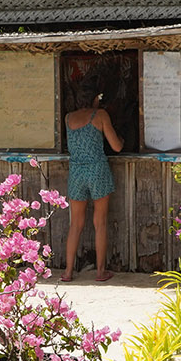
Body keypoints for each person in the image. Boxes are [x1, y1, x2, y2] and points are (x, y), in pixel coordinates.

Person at [61, 76, 122, 282]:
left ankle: (68, 272)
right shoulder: (100, 115)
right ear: (96, 98)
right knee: (100, 222)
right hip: (97, 170)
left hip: (76, 172)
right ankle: (100, 271)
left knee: (75, 224)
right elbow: (116, 146)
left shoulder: (68, 118)